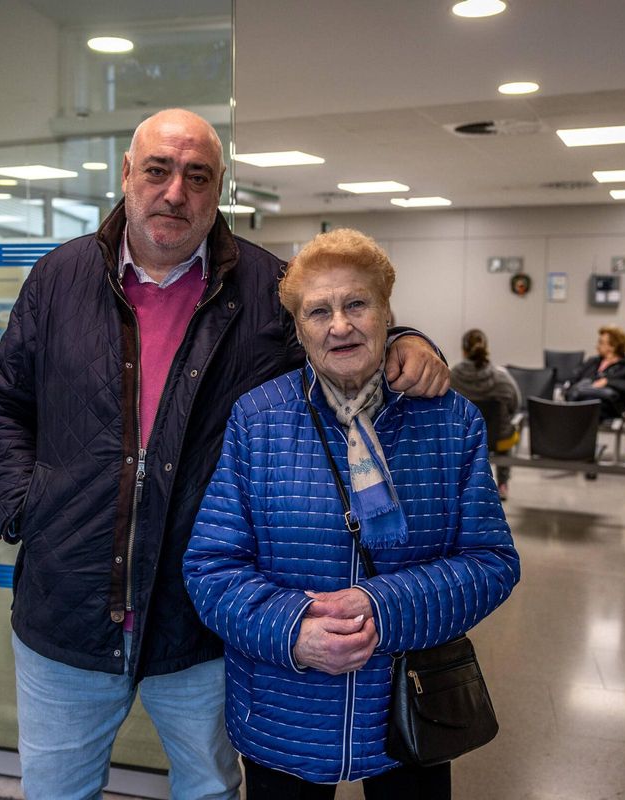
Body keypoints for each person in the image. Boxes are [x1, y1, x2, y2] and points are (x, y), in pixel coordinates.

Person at [0, 109, 451, 800]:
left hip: (201, 625)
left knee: (210, 791)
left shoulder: (266, 290)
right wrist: (27, 508)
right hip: (65, 608)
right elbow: (0, 404)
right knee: (55, 791)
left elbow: (342, 337)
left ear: (218, 187)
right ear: (128, 176)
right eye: (159, 171)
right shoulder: (59, 278)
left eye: (197, 177)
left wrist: (406, 336)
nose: (175, 193)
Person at [183, 229, 519, 798]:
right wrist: (294, 630)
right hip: (285, 710)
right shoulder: (258, 418)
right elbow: (210, 567)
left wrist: (380, 606)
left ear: (388, 312)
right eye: (318, 311)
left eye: (356, 303)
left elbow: (492, 562)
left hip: (410, 708)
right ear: (298, 329)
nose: (339, 325)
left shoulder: (450, 420)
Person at [450, 328, 521, 500]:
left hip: (463, 439)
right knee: (506, 431)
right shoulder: (502, 378)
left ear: (463, 351)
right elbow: (515, 405)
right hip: (498, 440)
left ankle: (464, 483)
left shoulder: (451, 377)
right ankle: (502, 484)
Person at [565, 325, 625, 420]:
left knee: (587, 406)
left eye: (601, 343)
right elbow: (575, 378)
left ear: (612, 346)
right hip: (581, 399)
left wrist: (608, 382)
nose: (597, 346)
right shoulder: (592, 361)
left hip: (607, 405)